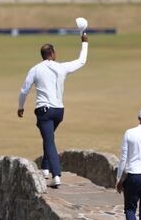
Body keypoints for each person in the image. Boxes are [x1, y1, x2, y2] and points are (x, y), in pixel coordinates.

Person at [17, 31, 90, 188]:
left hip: (44, 111)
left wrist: (20, 107)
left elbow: (24, 90)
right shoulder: (62, 67)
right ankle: (45, 168)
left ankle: (56, 175)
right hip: (59, 112)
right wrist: (84, 42)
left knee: (49, 140)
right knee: (48, 137)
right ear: (52, 53)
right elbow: (82, 61)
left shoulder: (35, 69)